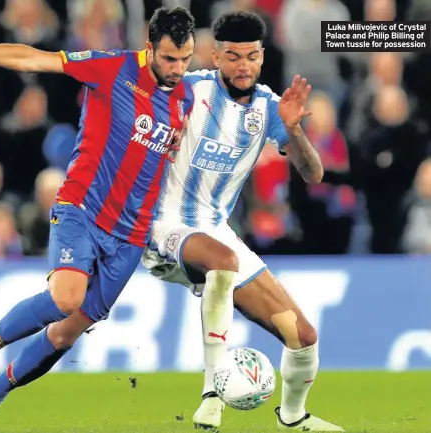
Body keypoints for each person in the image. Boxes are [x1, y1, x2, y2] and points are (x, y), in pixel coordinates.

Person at [0, 7, 195, 432]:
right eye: (170, 59)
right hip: (82, 208)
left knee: (64, 335)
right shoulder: (112, 67)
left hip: (131, 236)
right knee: (65, 297)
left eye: (186, 59)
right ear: (150, 46)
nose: (178, 69)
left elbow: (164, 160)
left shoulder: (185, 97)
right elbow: (30, 57)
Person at [140, 12, 344, 432]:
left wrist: (294, 131)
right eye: (232, 56)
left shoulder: (271, 108)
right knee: (221, 262)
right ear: (215, 56)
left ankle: (293, 417)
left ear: (263, 57)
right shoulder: (189, 89)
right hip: (164, 224)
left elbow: (314, 174)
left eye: (251, 56)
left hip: (215, 230)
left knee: (303, 339)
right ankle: (212, 394)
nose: (243, 66)